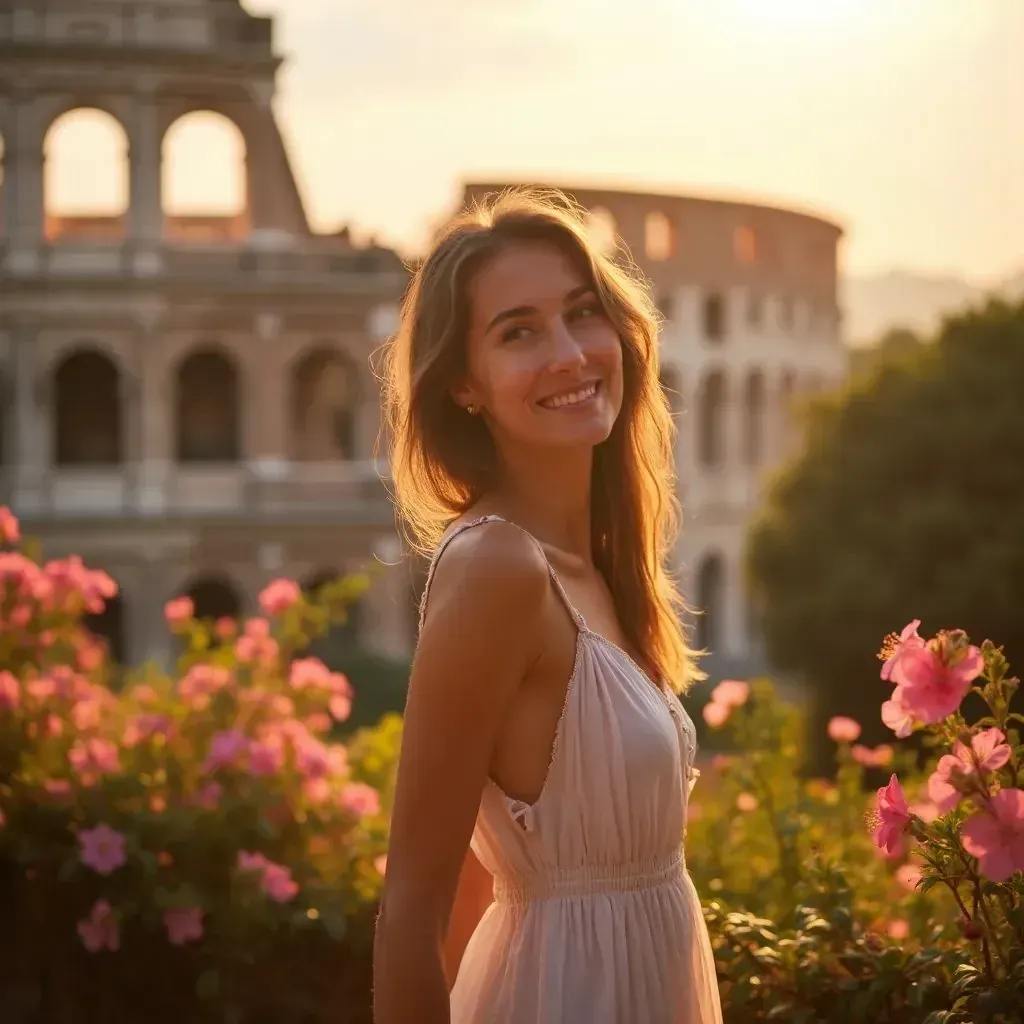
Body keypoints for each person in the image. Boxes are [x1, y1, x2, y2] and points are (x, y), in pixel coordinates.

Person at [372, 186, 723, 1024]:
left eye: (582, 313)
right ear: (466, 384)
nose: (570, 354)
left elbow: (476, 880)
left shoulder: (599, 570)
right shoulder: (497, 567)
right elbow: (411, 915)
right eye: (519, 331)